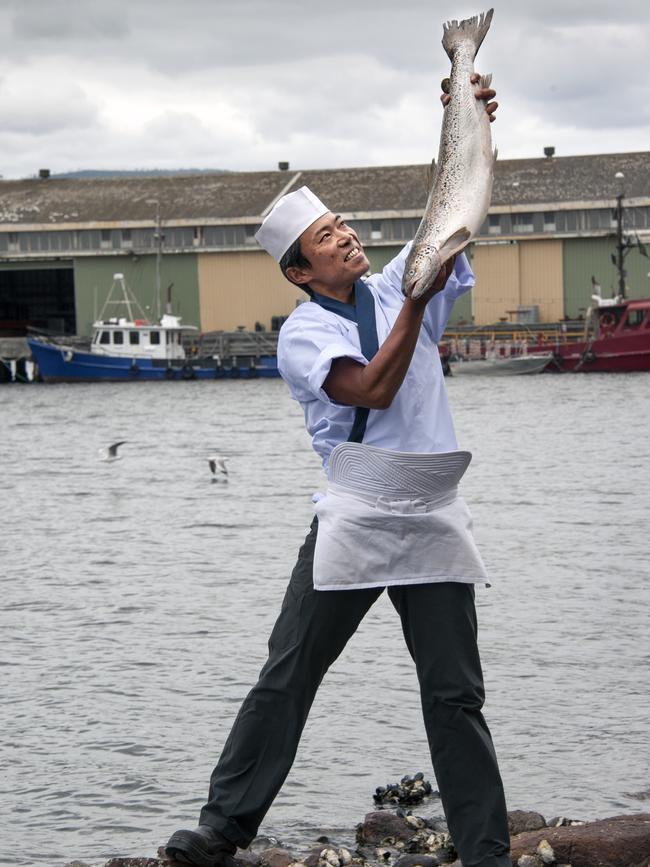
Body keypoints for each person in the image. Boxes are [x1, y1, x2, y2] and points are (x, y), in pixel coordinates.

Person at [165, 81, 510, 867]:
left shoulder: (397, 284)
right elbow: (373, 388)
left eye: (344, 223)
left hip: (430, 508)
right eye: (327, 235)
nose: (347, 236)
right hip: (355, 509)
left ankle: (487, 851)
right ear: (300, 269)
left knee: (456, 694)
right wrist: (418, 310)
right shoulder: (303, 334)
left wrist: (471, 126)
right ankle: (223, 826)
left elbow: (449, 214)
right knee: (289, 671)